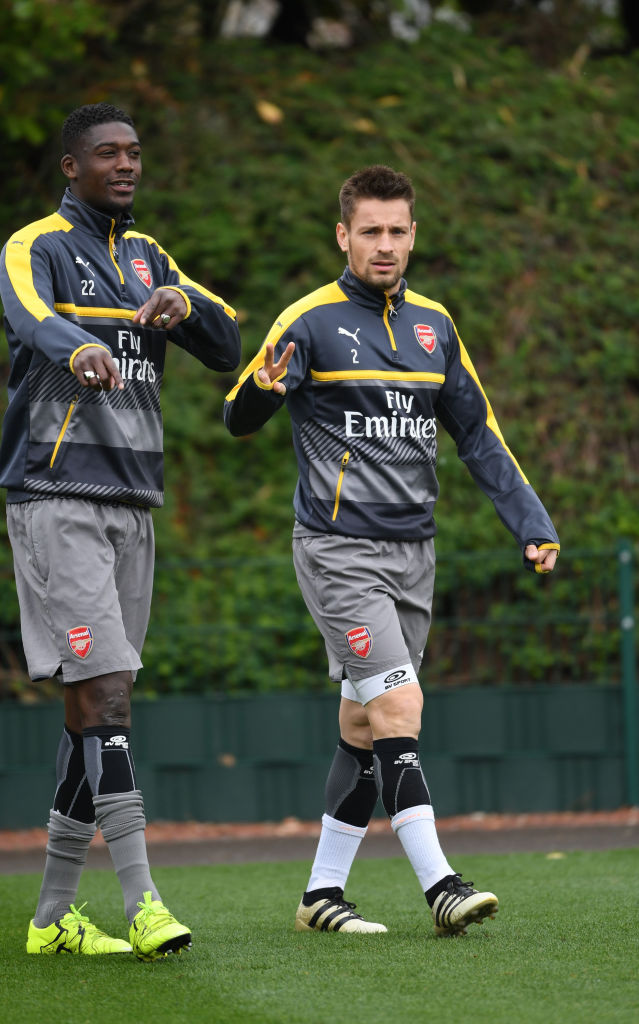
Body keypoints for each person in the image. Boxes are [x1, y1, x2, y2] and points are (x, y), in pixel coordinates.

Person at [224, 165, 558, 937]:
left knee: (363, 726)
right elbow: (237, 417)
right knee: (400, 707)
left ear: (412, 236)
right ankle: (440, 884)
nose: (384, 244)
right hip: (338, 552)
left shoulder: (434, 325)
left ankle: (320, 895)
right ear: (342, 235)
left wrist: (530, 523)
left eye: (396, 231)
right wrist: (262, 392)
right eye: (369, 230)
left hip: (414, 554)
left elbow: (477, 434)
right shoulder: (308, 320)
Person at [0, 102, 241, 959]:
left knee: (89, 710)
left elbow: (228, 342)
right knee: (106, 698)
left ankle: (51, 919)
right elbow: (29, 316)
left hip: (133, 501)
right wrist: (77, 347)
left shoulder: (149, 257)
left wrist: (183, 304)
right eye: (107, 153)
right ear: (72, 167)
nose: (126, 165)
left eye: (134, 152)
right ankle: (143, 902)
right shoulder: (36, 245)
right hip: (56, 494)